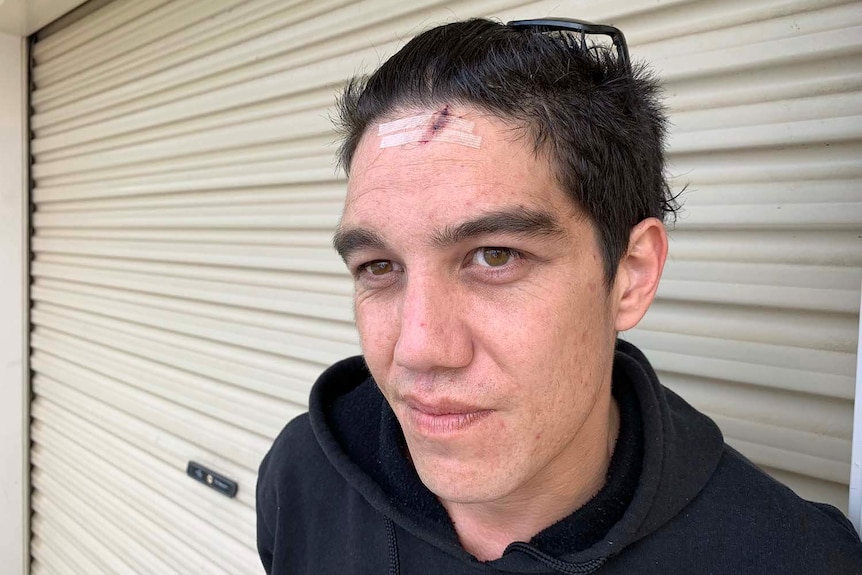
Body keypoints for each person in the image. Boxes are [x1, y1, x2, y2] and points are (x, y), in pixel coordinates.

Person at [256, 17, 862, 574]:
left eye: (495, 255)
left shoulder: (794, 559)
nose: (418, 350)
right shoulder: (302, 476)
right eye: (379, 266)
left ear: (630, 273)